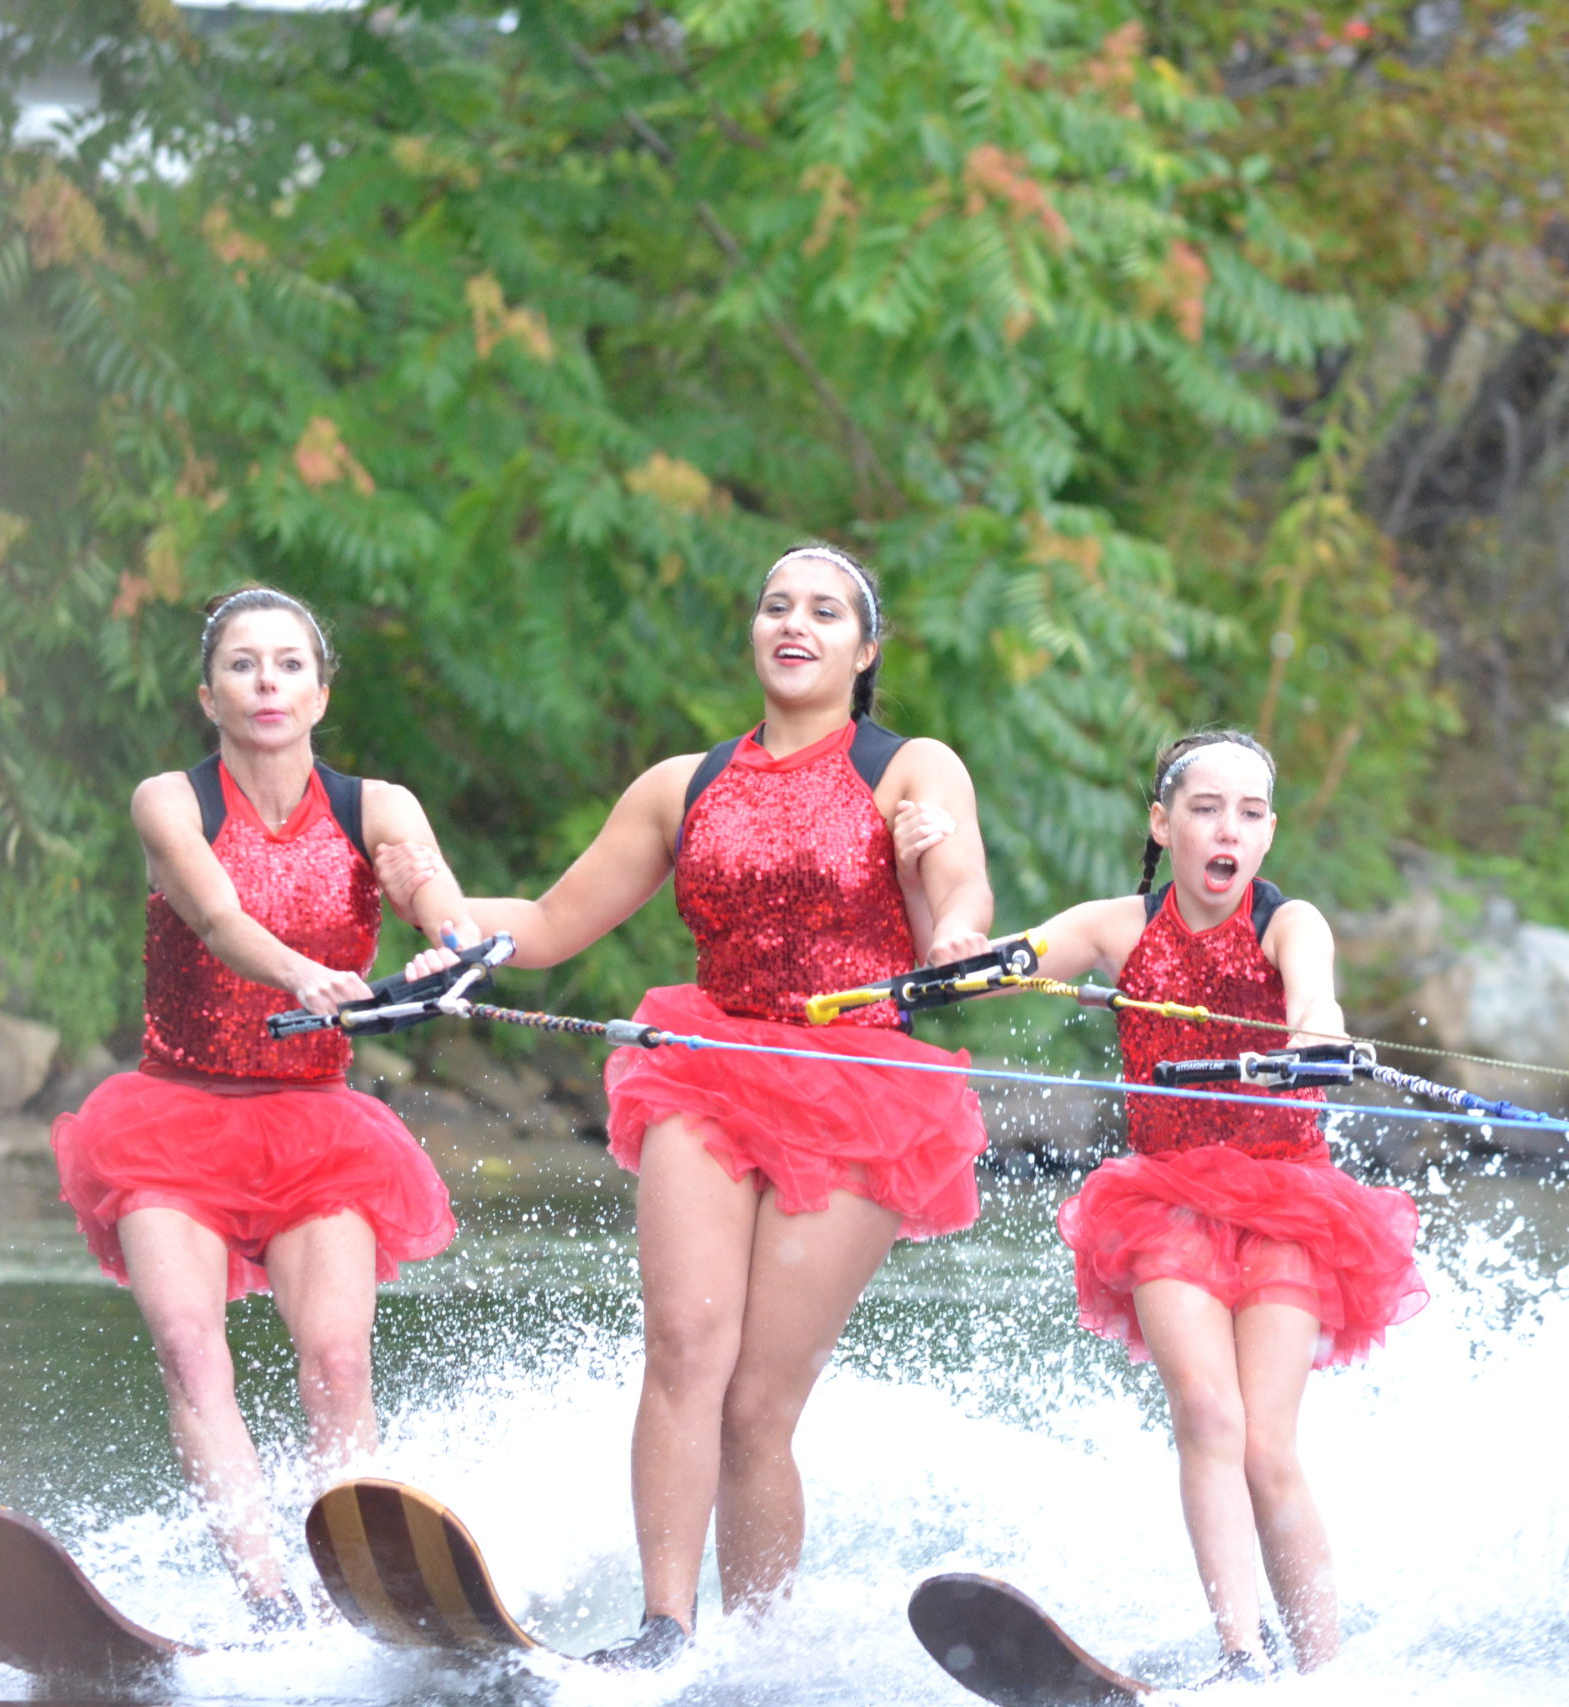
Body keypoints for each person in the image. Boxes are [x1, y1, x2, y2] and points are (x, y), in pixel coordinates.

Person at [379, 545, 992, 1665]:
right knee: (682, 1346)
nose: (793, 623)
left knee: (758, 1406)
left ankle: (756, 1651)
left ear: (865, 651)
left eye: (823, 611)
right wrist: (445, 921)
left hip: (855, 1087)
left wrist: (949, 919)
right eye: (774, 605)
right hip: (702, 1066)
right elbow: (556, 920)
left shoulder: (910, 770)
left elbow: (956, 882)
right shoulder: (683, 784)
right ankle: (662, 1628)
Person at [902, 729, 1426, 1679]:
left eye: (1251, 813)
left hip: (1289, 1204)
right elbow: (1018, 959)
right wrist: (956, 951)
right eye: (1206, 808)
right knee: (1209, 1415)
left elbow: (1318, 1005)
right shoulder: (1117, 927)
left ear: (1266, 837)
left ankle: (1324, 1674)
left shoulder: (1289, 921)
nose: (1229, 828)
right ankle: (1238, 1652)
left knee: (1267, 1444)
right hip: (1166, 1203)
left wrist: (1314, 1038)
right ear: (1164, 822)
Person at [51, 587, 481, 1623]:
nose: (266, 684)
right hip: (170, 1125)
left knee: (336, 1359)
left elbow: (428, 884)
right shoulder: (171, 800)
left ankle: (363, 1587)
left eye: (288, 665)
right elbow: (214, 912)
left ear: (320, 691)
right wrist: (303, 973)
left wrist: (449, 940)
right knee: (191, 1346)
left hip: (314, 1130)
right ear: (209, 695)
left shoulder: (378, 806)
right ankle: (266, 1600)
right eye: (243, 666)